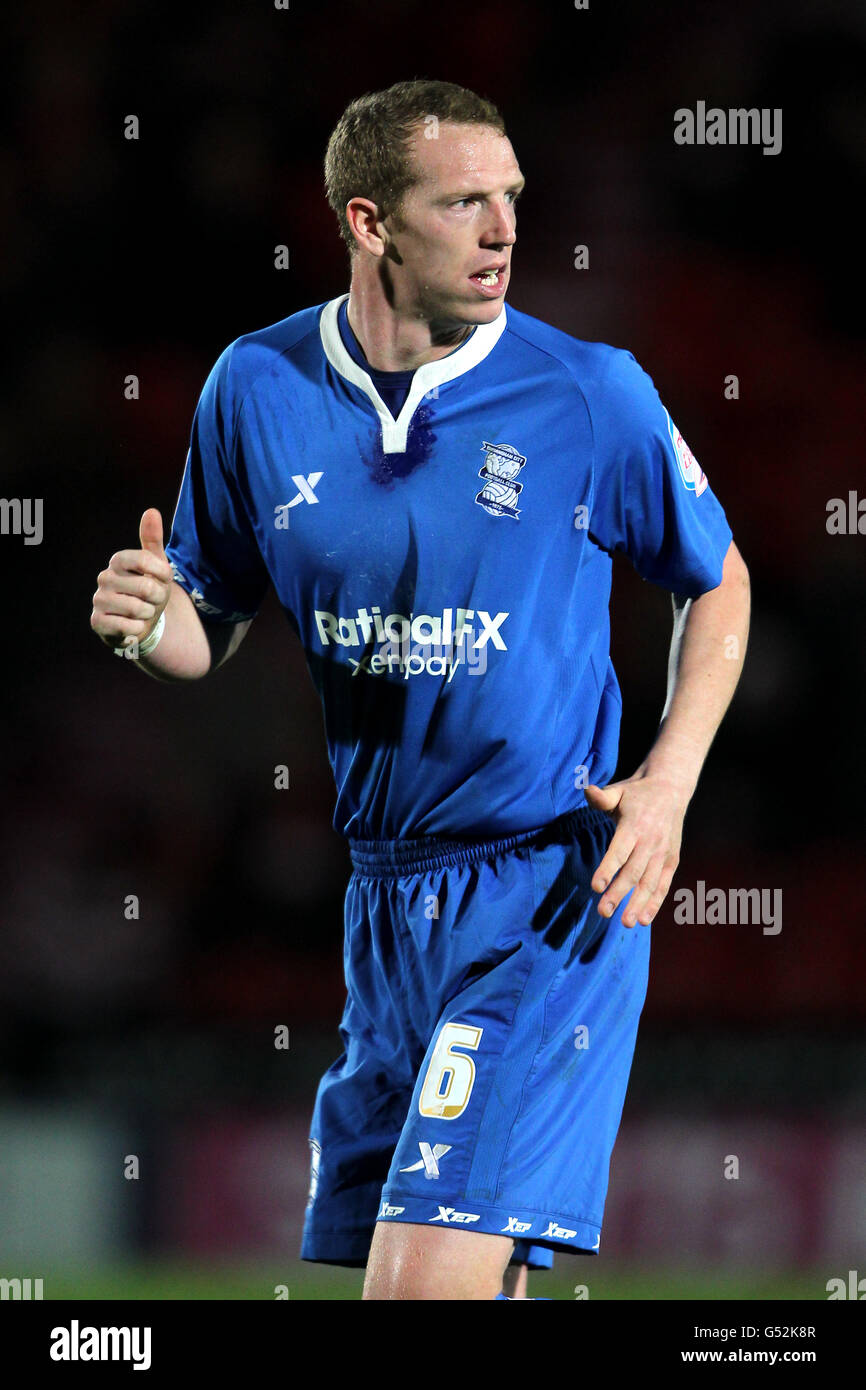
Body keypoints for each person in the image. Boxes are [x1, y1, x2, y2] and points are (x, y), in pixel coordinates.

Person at [90, 79, 750, 1300]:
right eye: (463, 202)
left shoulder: (585, 392)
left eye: (510, 198)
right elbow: (207, 619)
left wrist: (667, 782)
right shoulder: (256, 386)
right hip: (385, 906)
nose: (504, 228)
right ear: (368, 221)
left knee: (418, 1291)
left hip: (547, 887)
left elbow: (716, 582)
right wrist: (150, 625)